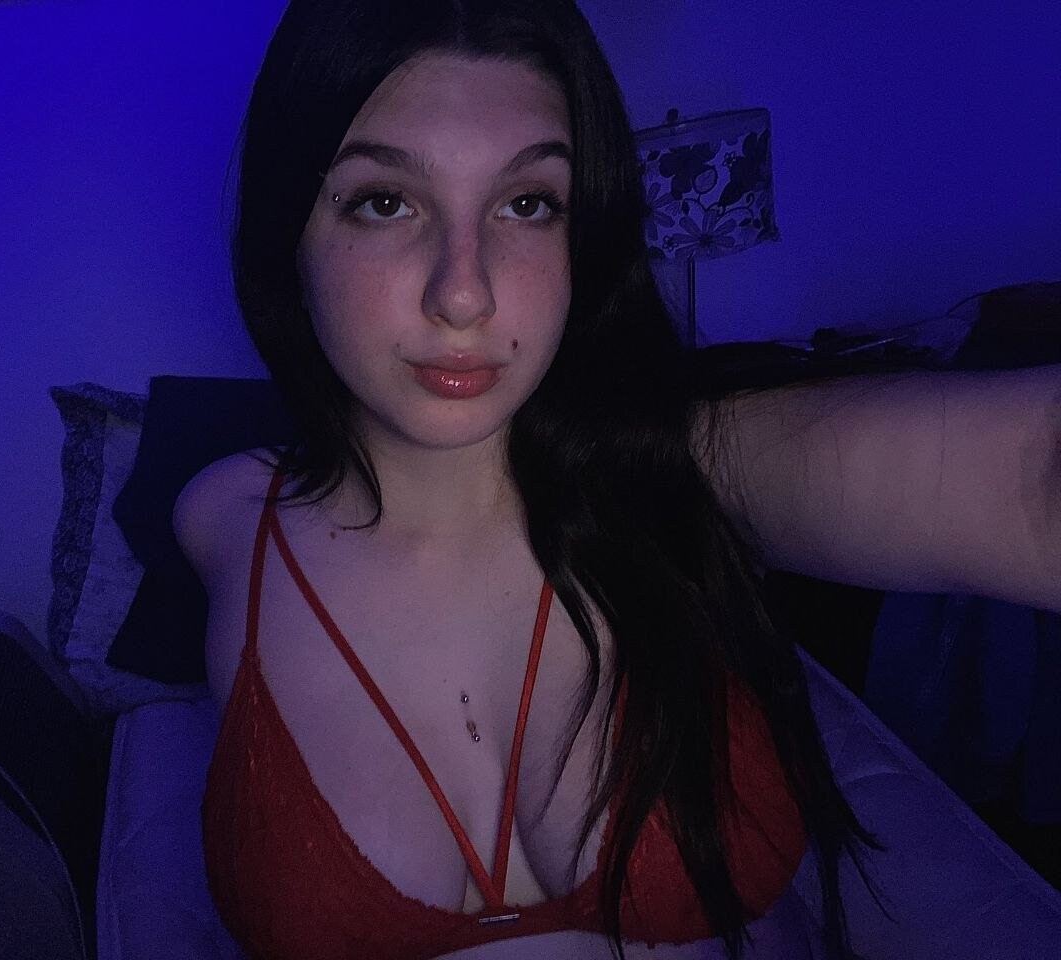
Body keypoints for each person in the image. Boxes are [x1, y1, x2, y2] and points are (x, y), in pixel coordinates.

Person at [175, 1, 1061, 958]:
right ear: (289, 233)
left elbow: (1031, 482)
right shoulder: (224, 519)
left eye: (528, 203)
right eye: (385, 201)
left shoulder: (689, 465)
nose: (464, 292)